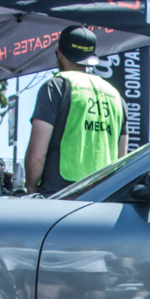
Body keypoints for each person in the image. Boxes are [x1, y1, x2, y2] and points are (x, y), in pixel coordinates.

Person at [25, 27, 126, 195]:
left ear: (59, 53)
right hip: (104, 196)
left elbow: (36, 157)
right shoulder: (116, 96)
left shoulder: (56, 87)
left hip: (60, 196)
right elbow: (122, 160)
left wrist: (30, 188)